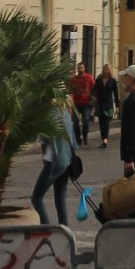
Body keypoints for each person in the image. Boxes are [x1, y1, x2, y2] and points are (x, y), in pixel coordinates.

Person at [31, 95, 77, 224]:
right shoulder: (65, 109)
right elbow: (72, 135)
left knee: (36, 199)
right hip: (66, 159)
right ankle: (65, 231)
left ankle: (46, 228)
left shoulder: (49, 112)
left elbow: (44, 137)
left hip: (54, 160)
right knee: (60, 198)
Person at [93, 63, 119, 148]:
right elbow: (93, 90)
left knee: (106, 122)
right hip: (100, 104)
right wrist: (92, 98)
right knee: (101, 122)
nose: (105, 71)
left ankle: (105, 140)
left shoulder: (112, 81)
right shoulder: (99, 80)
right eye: (104, 69)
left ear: (109, 70)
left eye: (107, 69)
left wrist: (117, 106)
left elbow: (115, 94)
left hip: (108, 104)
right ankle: (103, 139)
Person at [69, 61, 94, 145]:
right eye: (79, 67)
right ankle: (78, 137)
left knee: (86, 119)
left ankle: (85, 136)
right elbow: (69, 89)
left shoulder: (89, 77)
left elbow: (94, 87)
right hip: (76, 103)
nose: (80, 69)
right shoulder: (74, 79)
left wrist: (93, 97)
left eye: (82, 67)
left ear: (84, 68)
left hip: (85, 102)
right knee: (75, 121)